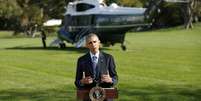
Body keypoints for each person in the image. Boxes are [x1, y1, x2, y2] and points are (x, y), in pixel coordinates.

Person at [75, 33, 118, 101]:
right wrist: (82, 81)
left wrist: (111, 80)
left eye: (95, 42)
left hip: (106, 97)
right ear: (86, 45)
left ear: (99, 42)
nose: (93, 44)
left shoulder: (108, 58)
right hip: (88, 97)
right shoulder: (81, 60)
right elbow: (77, 82)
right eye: (90, 43)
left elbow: (115, 78)